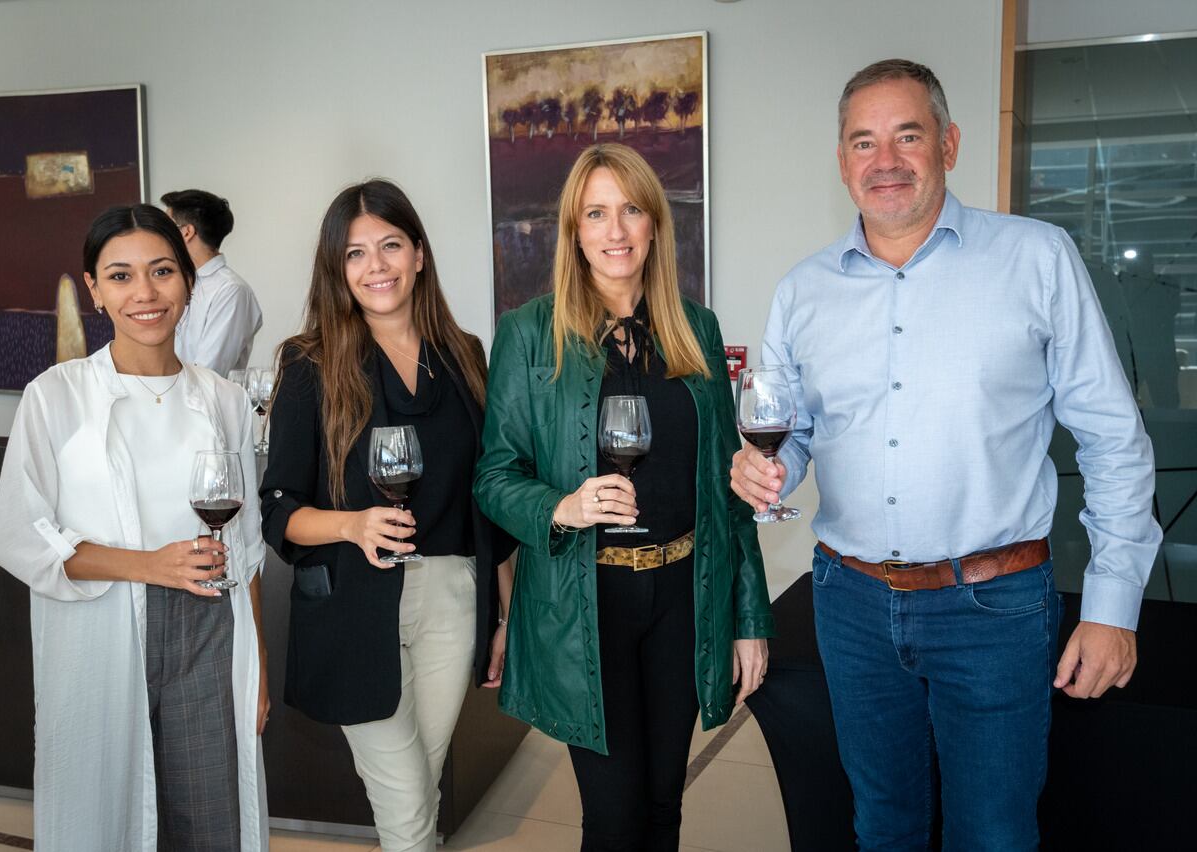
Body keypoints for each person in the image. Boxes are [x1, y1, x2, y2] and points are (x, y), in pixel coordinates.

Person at [730, 59, 1162, 850]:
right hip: (850, 603)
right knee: (881, 825)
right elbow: (791, 431)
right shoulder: (803, 291)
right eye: (864, 142)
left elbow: (1112, 435)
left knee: (993, 834)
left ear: (950, 144)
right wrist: (769, 468)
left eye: (907, 135)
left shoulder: (1036, 258)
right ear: (841, 160)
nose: (884, 160)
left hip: (993, 608)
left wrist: (1111, 603)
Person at [474, 143, 772, 851]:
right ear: (574, 232)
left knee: (664, 808)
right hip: (586, 603)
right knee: (613, 817)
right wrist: (562, 507)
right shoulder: (528, 335)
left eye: (631, 210)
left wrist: (748, 616)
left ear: (655, 225)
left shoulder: (696, 329)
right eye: (596, 214)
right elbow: (494, 476)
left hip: (683, 596)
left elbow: (730, 489)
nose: (615, 231)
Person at [0, 204, 270, 850]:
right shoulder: (56, 397)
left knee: (210, 820)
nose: (144, 293)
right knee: (107, 818)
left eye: (163, 271)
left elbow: (246, 546)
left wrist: (253, 667)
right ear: (93, 289)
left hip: (209, 635)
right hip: (102, 630)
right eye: (120, 276)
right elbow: (19, 535)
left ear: (189, 282)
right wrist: (148, 565)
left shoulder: (224, 401)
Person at [259, 179, 514, 852]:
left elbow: (486, 496)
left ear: (420, 255)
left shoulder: (465, 355)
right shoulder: (309, 362)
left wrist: (501, 613)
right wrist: (351, 524)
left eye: (390, 246)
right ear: (336, 270)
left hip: (453, 598)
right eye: (354, 254)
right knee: (405, 806)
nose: (375, 267)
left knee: (418, 791)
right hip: (352, 606)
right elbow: (278, 510)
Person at [163, 188, 263, 375]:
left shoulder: (231, 290)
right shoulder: (176, 282)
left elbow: (208, 372)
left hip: (205, 402)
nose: (160, 237)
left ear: (186, 232)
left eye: (166, 229)